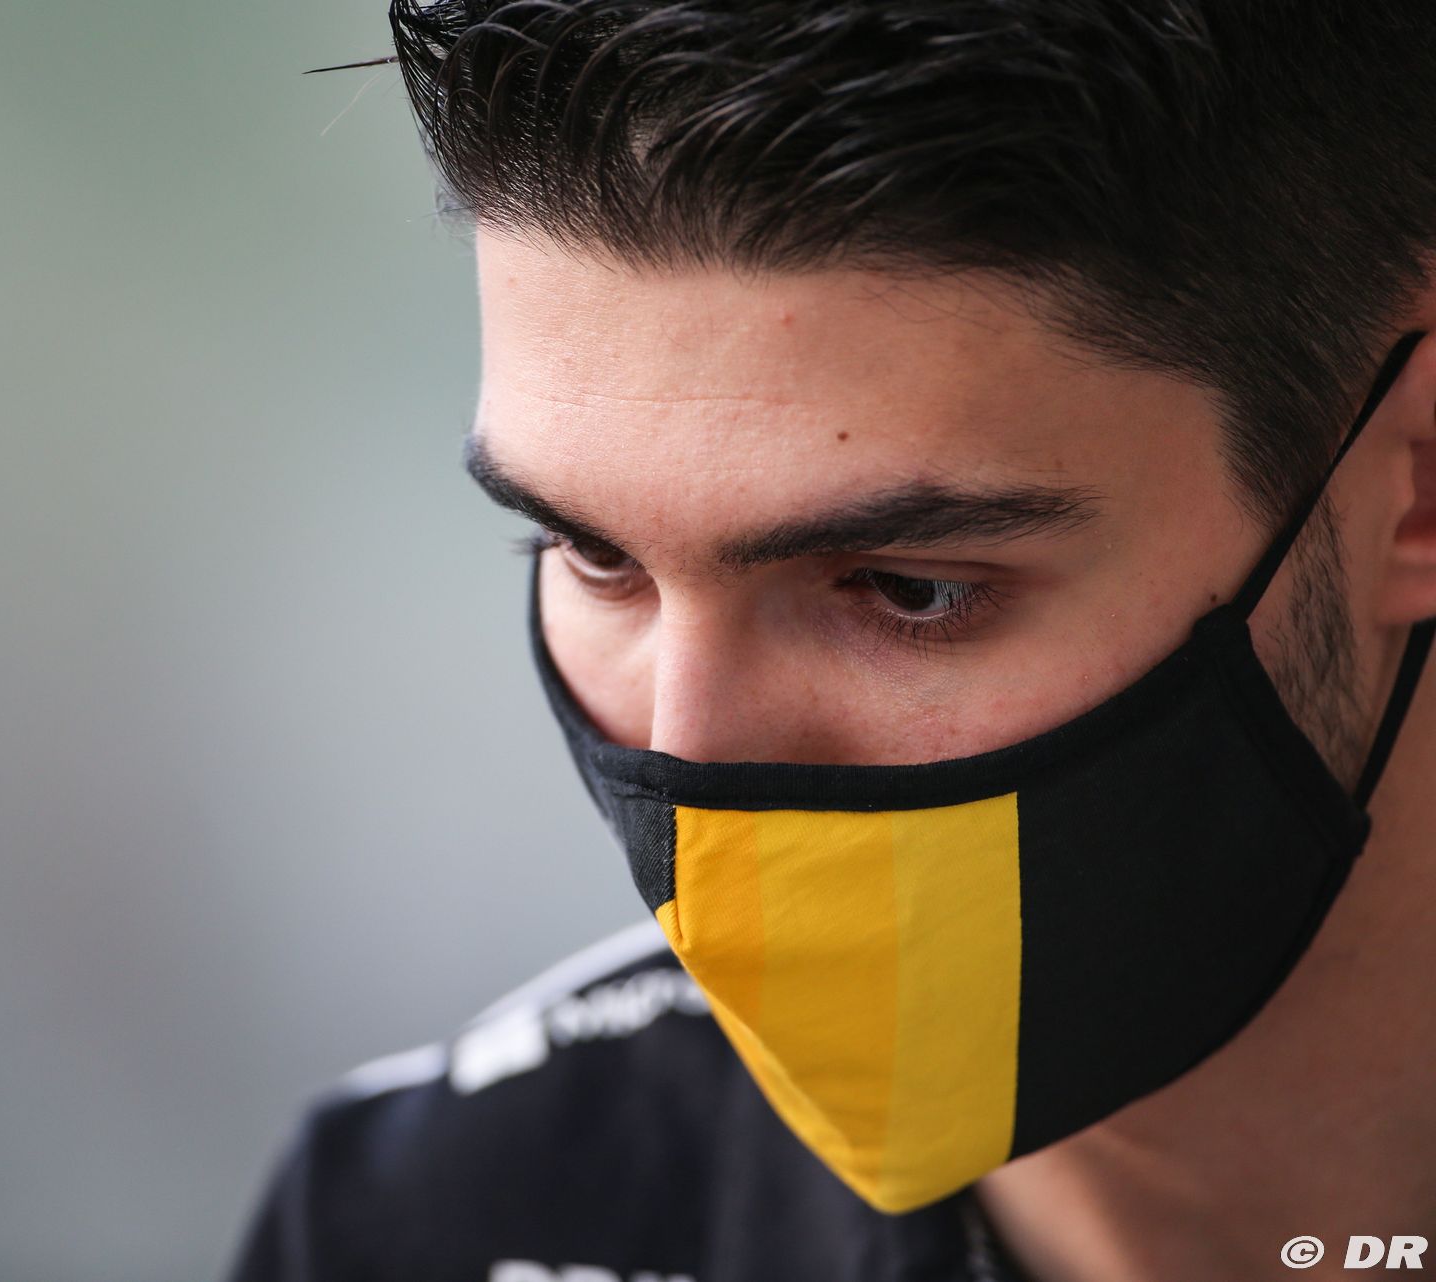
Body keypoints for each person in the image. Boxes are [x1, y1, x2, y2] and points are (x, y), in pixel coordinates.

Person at [230, 3, 1436, 1278]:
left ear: (1414, 472)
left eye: (909, 589)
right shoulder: (432, 1224)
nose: (690, 765)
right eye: (593, 555)